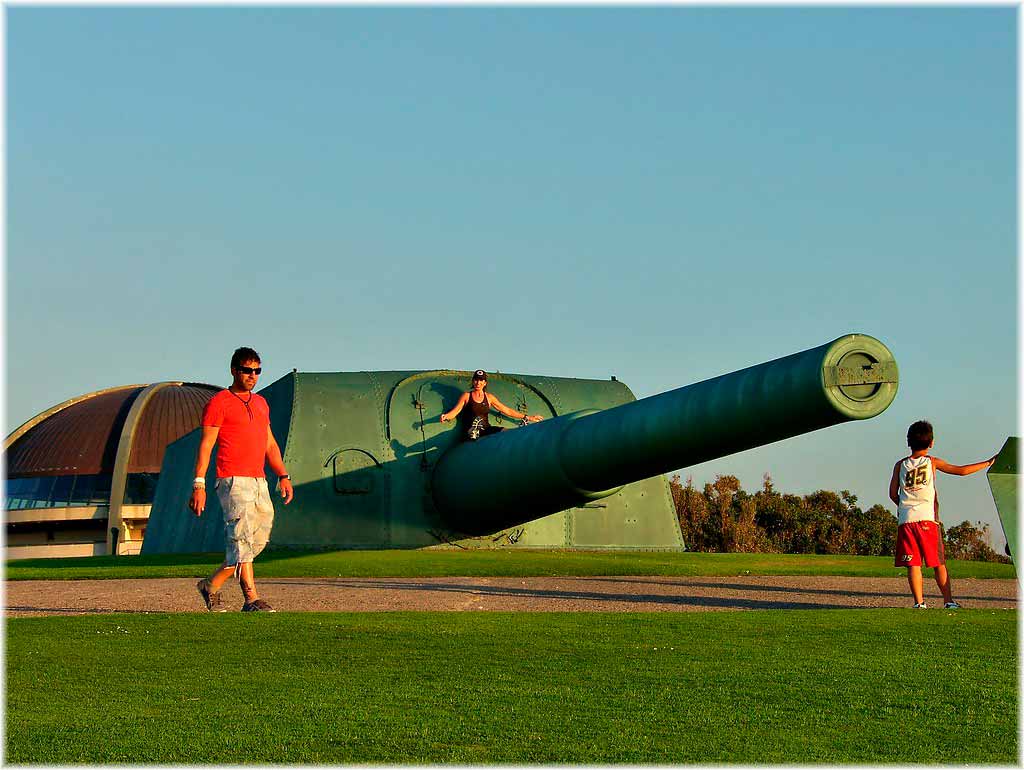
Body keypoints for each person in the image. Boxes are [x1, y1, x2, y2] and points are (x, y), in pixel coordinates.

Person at [189, 347, 294, 612]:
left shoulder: (260, 403)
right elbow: (206, 445)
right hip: (232, 479)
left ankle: (210, 585)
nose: (253, 376)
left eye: (257, 371)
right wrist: (198, 484)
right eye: (247, 370)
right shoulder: (219, 402)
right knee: (243, 537)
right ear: (234, 370)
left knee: (256, 540)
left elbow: (269, 444)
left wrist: (283, 475)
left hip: (259, 480)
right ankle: (251, 599)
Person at [888, 420, 994, 609]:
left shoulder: (900, 465)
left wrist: (904, 506)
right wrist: (988, 462)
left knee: (913, 564)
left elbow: (892, 493)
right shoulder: (932, 462)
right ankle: (948, 601)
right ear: (931, 442)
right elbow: (961, 471)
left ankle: (919, 603)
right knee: (938, 563)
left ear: (908, 441)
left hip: (906, 520)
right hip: (927, 519)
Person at [440, 370, 544, 440]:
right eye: (476, 379)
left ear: (485, 383)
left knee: (507, 431)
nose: (478, 382)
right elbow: (455, 411)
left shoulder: (489, 397)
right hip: (471, 430)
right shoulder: (467, 396)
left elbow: (506, 410)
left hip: (486, 429)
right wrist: (446, 416)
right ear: (473, 381)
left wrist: (528, 417)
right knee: (473, 434)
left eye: (481, 380)